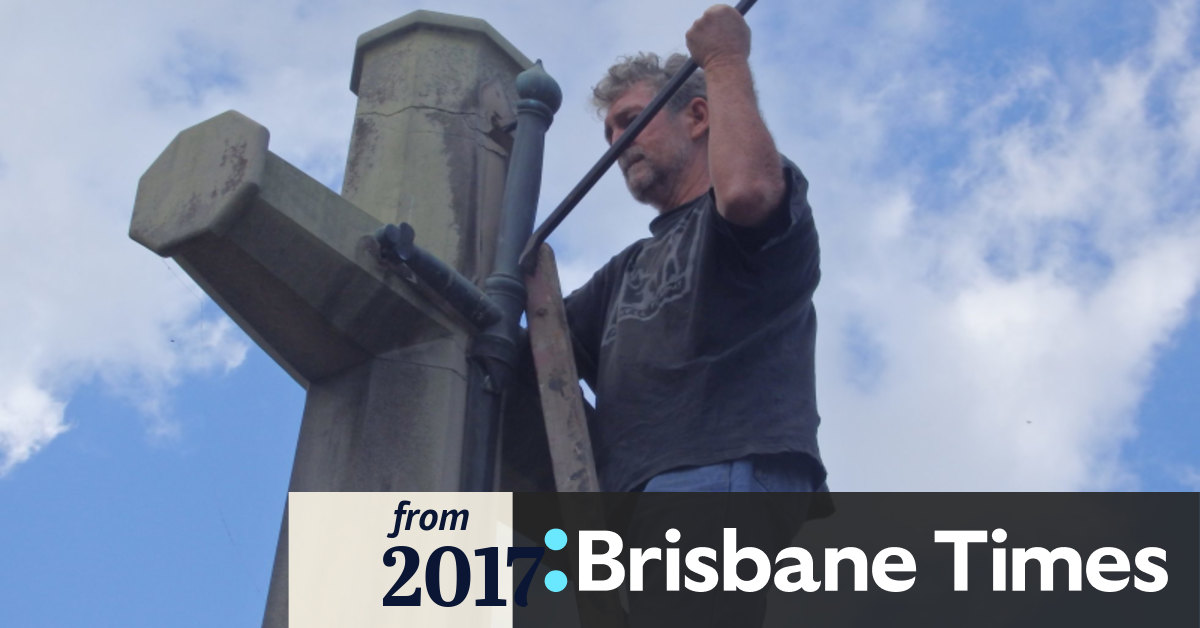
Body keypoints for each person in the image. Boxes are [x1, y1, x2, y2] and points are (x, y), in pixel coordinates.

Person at [563, 5, 827, 494]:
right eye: (610, 133)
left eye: (631, 120)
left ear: (698, 116)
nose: (618, 143)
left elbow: (747, 190)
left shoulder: (754, 207)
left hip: (718, 468)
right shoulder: (624, 272)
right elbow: (537, 350)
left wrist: (724, 59)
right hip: (627, 499)